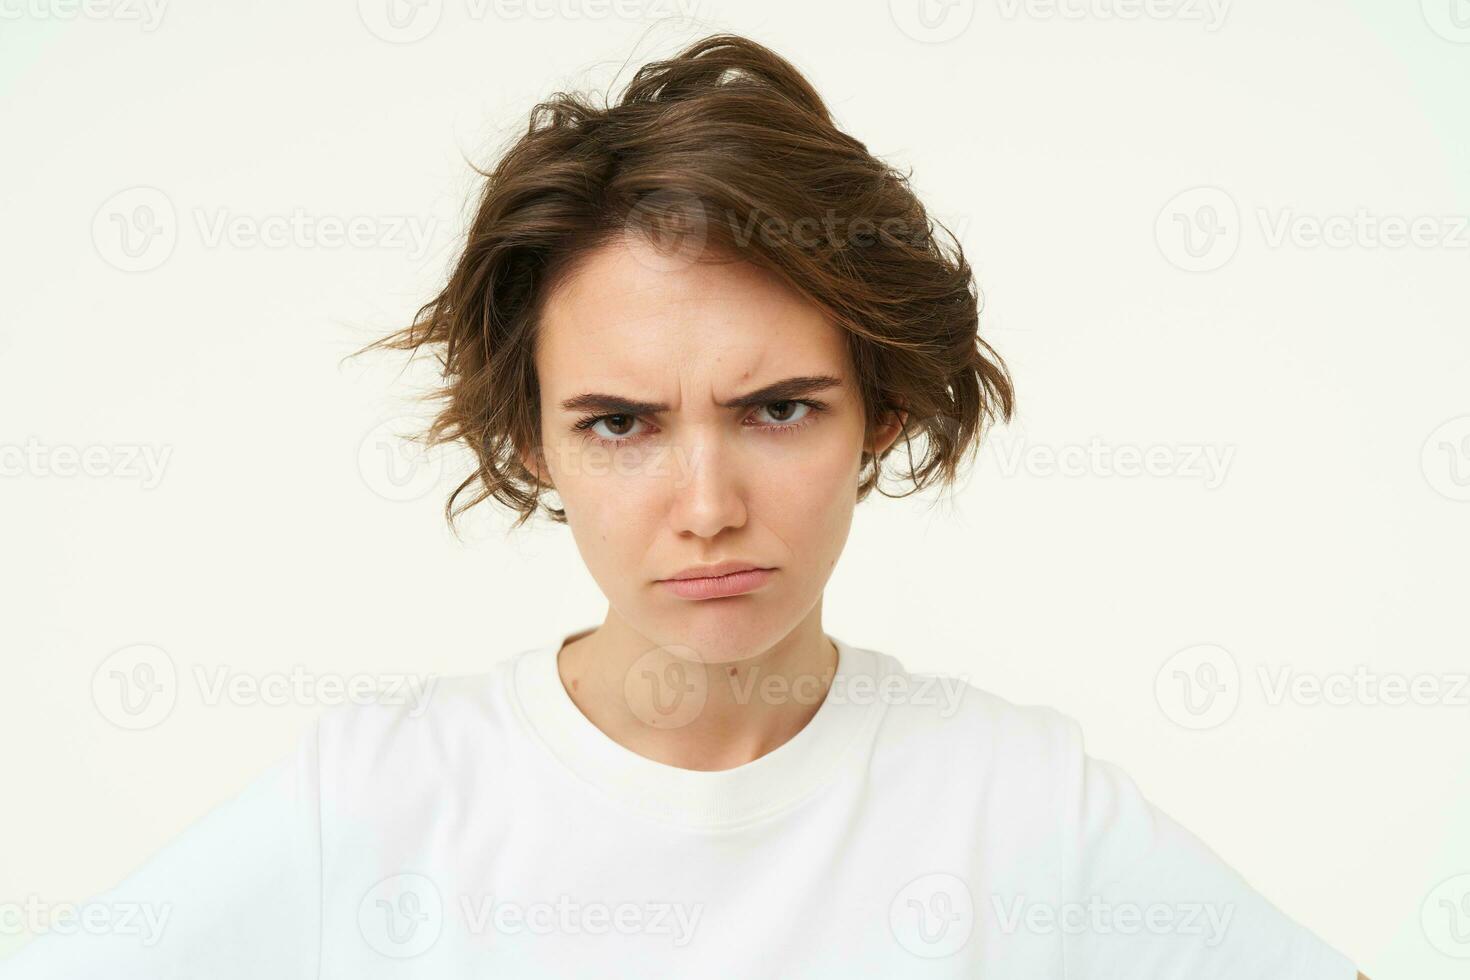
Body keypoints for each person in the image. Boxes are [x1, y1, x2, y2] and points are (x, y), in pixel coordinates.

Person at [2, 32, 1367, 978]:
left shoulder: (1018, 807)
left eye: (777, 409)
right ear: (531, 442)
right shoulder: (378, 802)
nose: (705, 505)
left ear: (881, 411)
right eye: (619, 425)